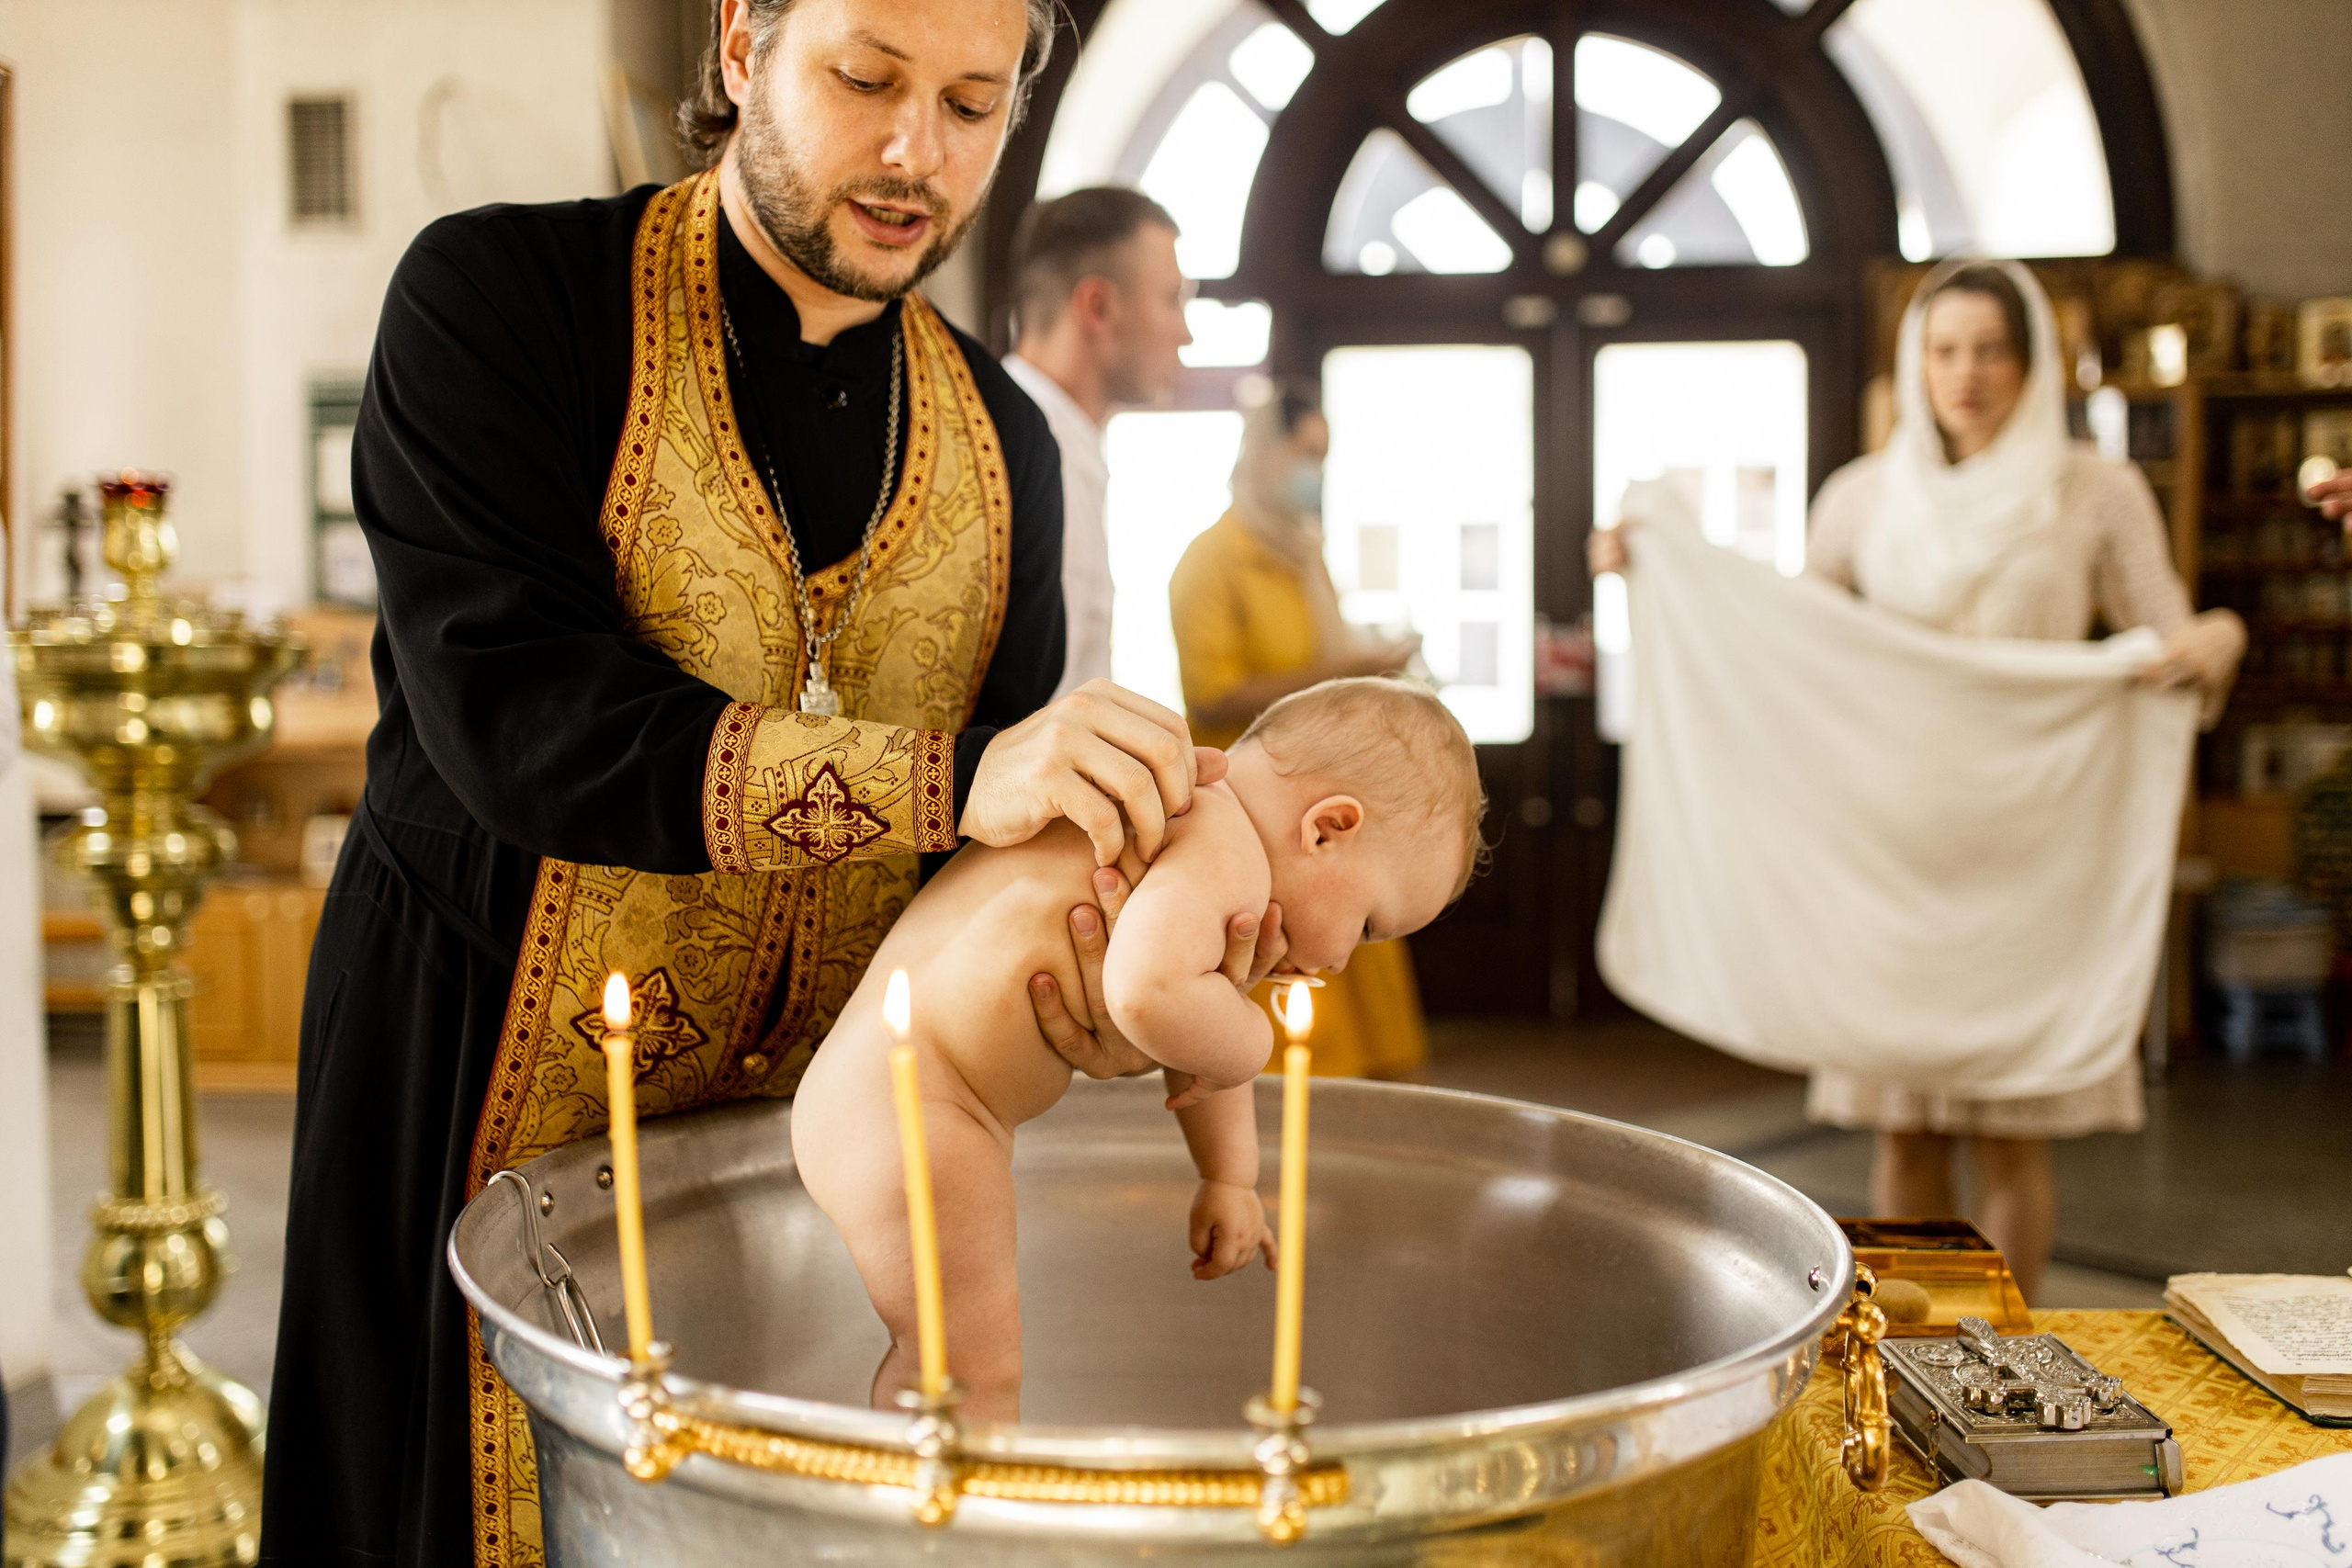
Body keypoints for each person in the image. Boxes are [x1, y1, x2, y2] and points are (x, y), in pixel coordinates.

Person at [258, 4, 1274, 1565]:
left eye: (972, 103)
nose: (913, 154)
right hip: (477, 1061)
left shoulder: (1006, 444)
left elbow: (981, 882)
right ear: (741, 45)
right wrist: (954, 783)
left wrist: (1094, 973)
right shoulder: (501, 303)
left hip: (806, 1135)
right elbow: (524, 722)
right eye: (864, 79)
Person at [1591, 259, 2245, 1299]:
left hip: (2029, 838)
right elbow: (1793, 644)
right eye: (1944, 351)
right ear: (1914, 361)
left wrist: (2217, 636)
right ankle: (1907, 1358)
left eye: (1990, 350)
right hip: (1890, 844)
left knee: (2009, 1136)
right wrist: (1662, 573)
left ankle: (2010, 1355)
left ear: (2029, 362)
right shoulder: (1863, 498)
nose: (1966, 374)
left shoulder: (2093, 490)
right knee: (1903, 1123)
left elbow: (2166, 633)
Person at [792, 678, 1484, 1420]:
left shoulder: (1194, 811)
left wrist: (1229, 1175)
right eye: (1371, 925)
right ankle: (942, 1522)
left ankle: (929, 1506)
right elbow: (1147, 993)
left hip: (888, 1096)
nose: (1346, 959)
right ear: (1326, 828)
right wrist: (1252, 1042)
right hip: (922, 1111)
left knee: (940, 1361)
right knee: (970, 1373)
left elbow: (1196, 1012)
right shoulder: (1223, 844)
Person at [1166, 381, 1434, 1081]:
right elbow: (1212, 690)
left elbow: (1324, 656)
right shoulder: (1209, 561)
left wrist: (1365, 668)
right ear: (1263, 451)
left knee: (1352, 960)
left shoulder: (1304, 553)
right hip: (1252, 814)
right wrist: (1344, 670)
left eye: (1325, 454)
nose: (1315, 469)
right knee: (1280, 1023)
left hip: (1322, 802)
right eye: (1305, 452)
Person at [1004, 187, 1194, 698]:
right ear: (1099, 307)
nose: (1186, 333)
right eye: (1173, 299)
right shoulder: (1016, 448)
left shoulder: (1063, 438)